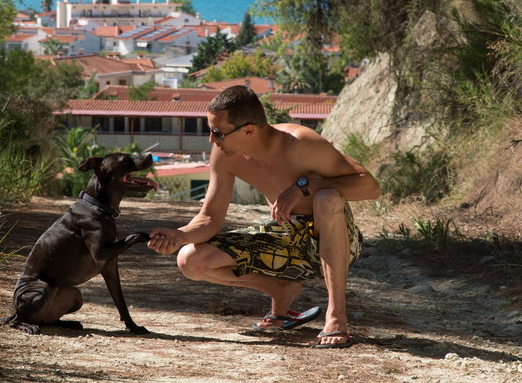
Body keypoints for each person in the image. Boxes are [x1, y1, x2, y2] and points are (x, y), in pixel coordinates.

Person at [147, 85, 380, 348]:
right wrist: (180, 235)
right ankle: (280, 290)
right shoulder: (226, 155)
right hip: (285, 237)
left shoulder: (300, 143)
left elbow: (370, 187)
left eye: (218, 132)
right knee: (190, 259)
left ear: (248, 130)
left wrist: (307, 186)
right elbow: (210, 218)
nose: (212, 140)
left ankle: (336, 317)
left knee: (327, 199)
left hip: (334, 236)